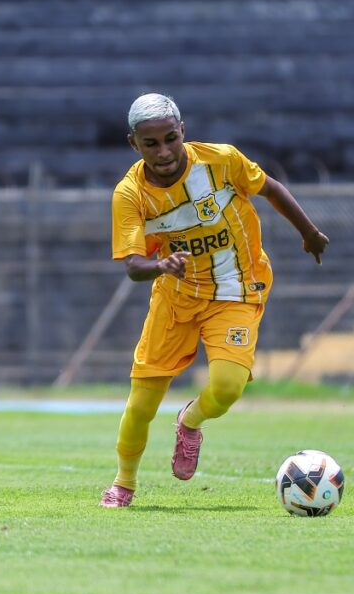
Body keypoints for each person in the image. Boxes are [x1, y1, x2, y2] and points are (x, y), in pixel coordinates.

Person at [100, 93, 328, 507]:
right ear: (134, 144)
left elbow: (270, 189)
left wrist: (308, 232)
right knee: (141, 405)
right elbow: (133, 265)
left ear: (183, 131)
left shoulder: (221, 161)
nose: (164, 151)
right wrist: (161, 266)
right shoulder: (130, 194)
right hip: (176, 298)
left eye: (171, 138)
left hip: (236, 290)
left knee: (226, 388)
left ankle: (190, 421)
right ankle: (124, 483)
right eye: (151, 144)